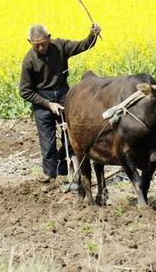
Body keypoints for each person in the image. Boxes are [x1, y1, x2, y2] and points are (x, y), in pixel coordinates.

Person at [19, 23, 101, 184]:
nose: (41, 47)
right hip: (42, 99)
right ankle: (50, 176)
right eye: (36, 45)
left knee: (71, 135)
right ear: (29, 42)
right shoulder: (29, 60)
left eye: (43, 43)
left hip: (64, 95)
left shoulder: (60, 46)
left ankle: (65, 169)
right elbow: (24, 91)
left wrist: (93, 35)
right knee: (47, 142)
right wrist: (48, 104)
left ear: (49, 37)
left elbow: (84, 45)